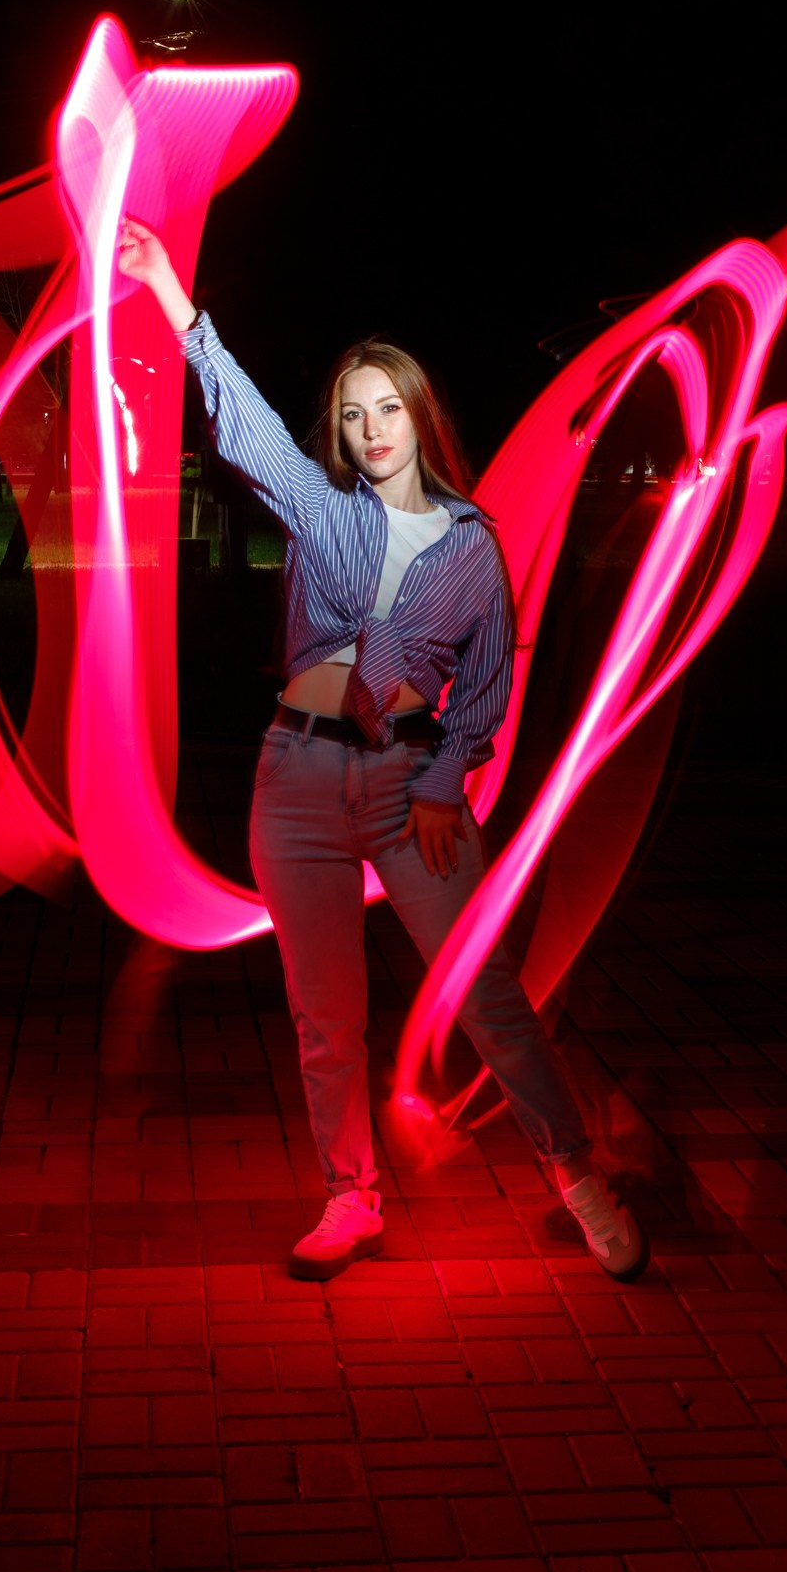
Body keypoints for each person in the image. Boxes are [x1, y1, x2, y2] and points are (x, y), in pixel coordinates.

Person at [115, 218, 645, 1283]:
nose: (370, 429)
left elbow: (486, 684)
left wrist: (446, 781)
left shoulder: (473, 544)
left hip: (412, 787)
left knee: (486, 993)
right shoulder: (320, 511)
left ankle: (576, 1174)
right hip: (297, 780)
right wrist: (171, 294)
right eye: (353, 415)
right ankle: (349, 1198)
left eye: (387, 408)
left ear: (418, 413)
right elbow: (245, 420)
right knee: (327, 1016)